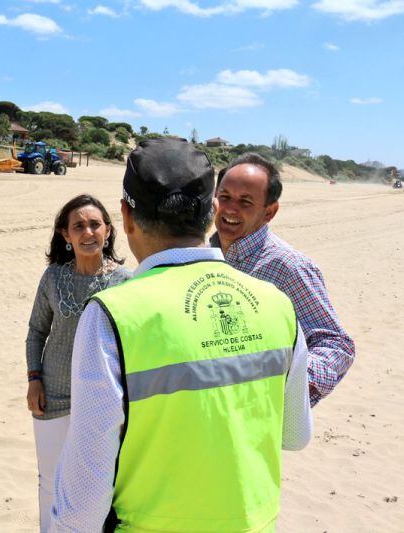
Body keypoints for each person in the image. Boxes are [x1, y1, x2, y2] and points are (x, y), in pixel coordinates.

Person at [50, 138, 313, 532]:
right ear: (211, 214)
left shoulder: (114, 314)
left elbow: (85, 496)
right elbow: (295, 435)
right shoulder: (277, 304)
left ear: (125, 216)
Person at [212, 153, 355, 406]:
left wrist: (280, 390)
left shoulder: (287, 267)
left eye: (245, 202)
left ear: (270, 212)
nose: (231, 209)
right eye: (224, 197)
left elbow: (336, 345)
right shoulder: (201, 255)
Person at [26, 194, 131, 532]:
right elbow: (36, 331)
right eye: (79, 226)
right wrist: (34, 379)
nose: (88, 232)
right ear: (65, 236)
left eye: (95, 224)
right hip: (53, 393)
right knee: (51, 478)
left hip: (105, 399)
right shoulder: (54, 278)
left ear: (109, 230)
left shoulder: (126, 282)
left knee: (102, 483)